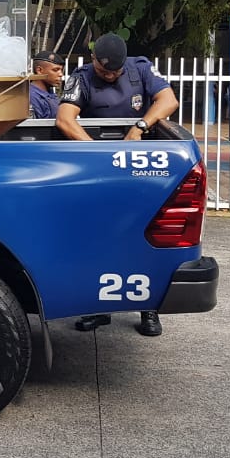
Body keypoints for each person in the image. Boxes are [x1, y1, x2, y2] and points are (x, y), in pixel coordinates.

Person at [56, 33, 178, 337]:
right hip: (100, 169)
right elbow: (65, 120)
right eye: (104, 70)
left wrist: (140, 126)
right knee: (98, 235)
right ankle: (98, 307)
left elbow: (169, 100)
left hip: (138, 167)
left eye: (115, 72)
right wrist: (99, 155)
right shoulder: (81, 77)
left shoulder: (141, 69)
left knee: (142, 235)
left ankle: (149, 309)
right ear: (93, 60)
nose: (110, 76)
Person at [28, 50, 64, 118]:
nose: (61, 74)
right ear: (39, 70)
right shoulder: (31, 97)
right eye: (55, 70)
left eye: (61, 70)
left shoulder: (50, 93)